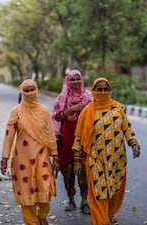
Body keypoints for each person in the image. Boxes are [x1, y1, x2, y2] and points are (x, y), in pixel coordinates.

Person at [72, 77, 141, 225]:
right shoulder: (87, 111)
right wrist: (77, 159)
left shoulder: (118, 108)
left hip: (117, 159)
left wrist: (134, 144)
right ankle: (101, 221)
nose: (102, 92)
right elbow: (79, 136)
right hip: (95, 159)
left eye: (105, 89)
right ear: (94, 91)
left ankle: (109, 214)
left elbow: (127, 129)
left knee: (114, 190)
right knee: (99, 193)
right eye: (99, 89)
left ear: (109, 90)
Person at [0, 79, 59, 225]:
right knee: (26, 190)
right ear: (22, 92)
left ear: (37, 90)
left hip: (42, 156)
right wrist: (5, 158)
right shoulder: (17, 111)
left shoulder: (44, 111)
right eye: (26, 90)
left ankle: (42, 216)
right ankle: (31, 221)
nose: (29, 93)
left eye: (32, 89)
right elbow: (9, 136)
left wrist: (55, 155)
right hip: (23, 159)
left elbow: (50, 134)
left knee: (44, 186)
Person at [52, 69, 92, 214]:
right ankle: (71, 199)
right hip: (67, 139)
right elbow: (57, 117)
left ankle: (84, 200)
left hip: (84, 139)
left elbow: (95, 114)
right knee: (67, 172)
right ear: (68, 81)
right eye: (73, 79)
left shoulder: (88, 97)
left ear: (82, 80)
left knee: (84, 172)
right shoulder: (63, 97)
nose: (76, 82)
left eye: (78, 79)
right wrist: (72, 109)